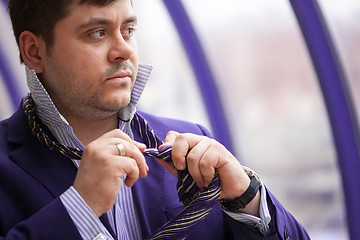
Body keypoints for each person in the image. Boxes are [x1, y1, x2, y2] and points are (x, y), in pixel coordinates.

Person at [0, 0, 310, 239]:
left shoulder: (195, 143)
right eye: (97, 32)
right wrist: (79, 207)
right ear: (34, 51)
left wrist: (247, 198)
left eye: (129, 30)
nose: (124, 50)